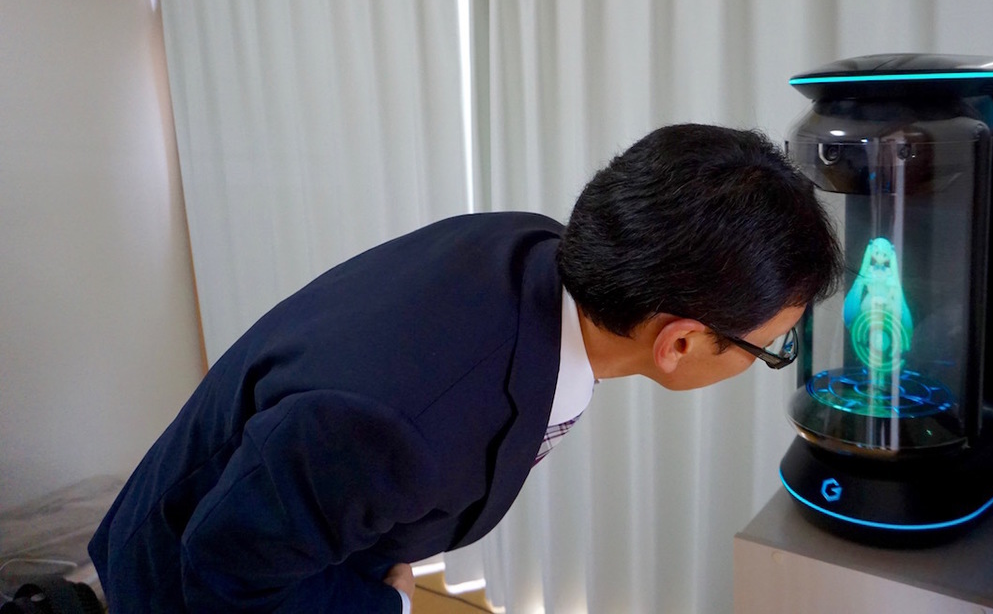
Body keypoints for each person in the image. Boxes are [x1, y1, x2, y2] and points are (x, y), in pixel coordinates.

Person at [88, 123, 841, 613]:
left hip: (297, 519)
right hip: (184, 581)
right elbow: (226, 573)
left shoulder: (534, 248)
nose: (770, 359)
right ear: (679, 343)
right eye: (770, 348)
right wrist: (385, 599)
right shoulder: (401, 426)